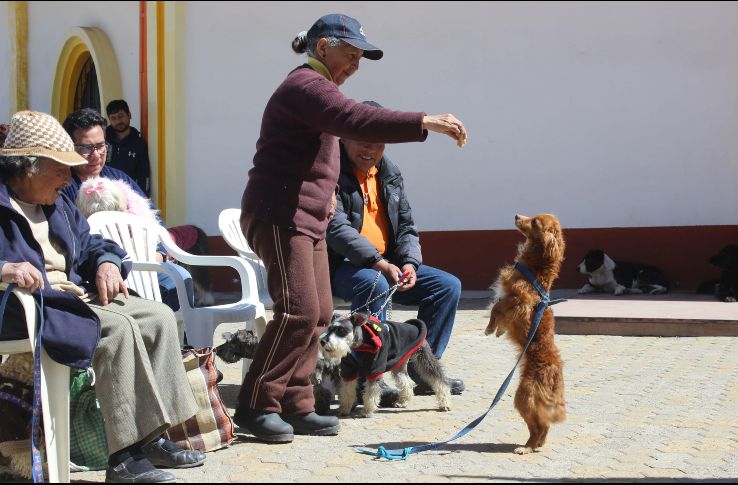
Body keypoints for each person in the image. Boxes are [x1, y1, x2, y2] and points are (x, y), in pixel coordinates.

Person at [237, 13, 468, 444]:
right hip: (279, 215)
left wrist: (324, 200)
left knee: (321, 313)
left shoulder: (319, 93)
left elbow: (318, 160)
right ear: (323, 47)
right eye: (350, 53)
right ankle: (256, 404)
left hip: (308, 218)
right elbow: (355, 119)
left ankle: (297, 402)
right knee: (298, 311)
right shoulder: (305, 85)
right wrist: (424, 122)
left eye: (361, 57)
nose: (356, 64)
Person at [0, 110, 205, 483]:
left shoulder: (56, 201)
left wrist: (108, 263)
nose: (69, 178)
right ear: (29, 168)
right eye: (61, 168)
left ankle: (154, 436)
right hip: (30, 304)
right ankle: (123, 456)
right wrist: (4, 269)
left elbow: (93, 243)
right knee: (117, 329)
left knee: (157, 316)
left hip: (73, 295)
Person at [328, 100, 465, 398]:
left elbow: (406, 226)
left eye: (378, 143)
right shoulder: (330, 171)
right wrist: (379, 263)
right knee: (375, 282)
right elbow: (336, 230)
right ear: (344, 138)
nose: (370, 149)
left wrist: (410, 264)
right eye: (363, 140)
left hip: (387, 263)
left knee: (447, 287)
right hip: (340, 266)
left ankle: (423, 370)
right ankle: (367, 377)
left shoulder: (390, 172)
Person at [60, 108, 194, 312]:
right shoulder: (62, 187)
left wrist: (157, 254)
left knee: (179, 278)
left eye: (101, 146)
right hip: (93, 270)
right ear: (70, 148)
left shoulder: (120, 178)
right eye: (86, 148)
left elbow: (154, 224)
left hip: (141, 262)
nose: (96, 155)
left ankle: (183, 342)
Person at [105, 99, 151, 195]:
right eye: (113, 118)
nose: (118, 121)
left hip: (128, 196)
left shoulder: (139, 143)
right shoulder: (103, 140)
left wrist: (143, 198)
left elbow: (144, 175)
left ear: (129, 115)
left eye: (121, 116)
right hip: (104, 193)